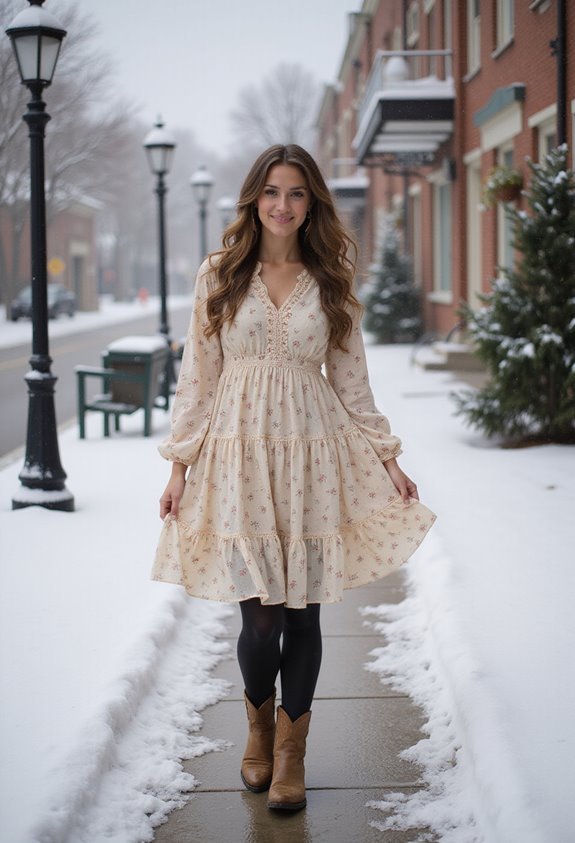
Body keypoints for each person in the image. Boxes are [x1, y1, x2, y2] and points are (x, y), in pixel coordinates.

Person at [152, 144, 435, 812]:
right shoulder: (220, 272)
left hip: (309, 457)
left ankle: (290, 755)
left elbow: (350, 380)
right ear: (253, 197)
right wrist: (178, 467)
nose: (283, 205)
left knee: (302, 614)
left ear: (312, 203)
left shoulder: (330, 274)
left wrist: (389, 458)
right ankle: (255, 728)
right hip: (238, 456)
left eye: (297, 193)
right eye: (272, 191)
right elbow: (199, 377)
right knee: (259, 620)